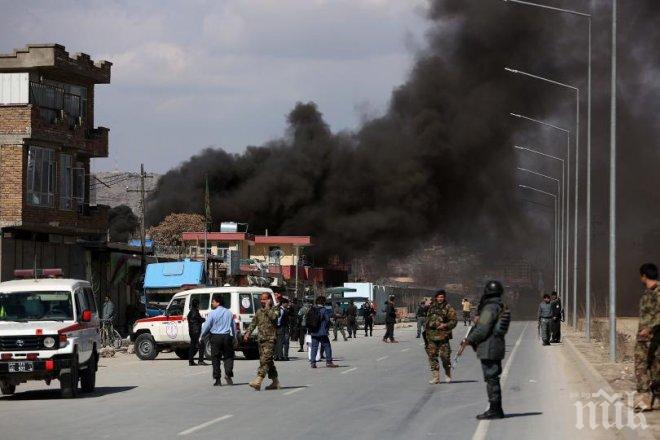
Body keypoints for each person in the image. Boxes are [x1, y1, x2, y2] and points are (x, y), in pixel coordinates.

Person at [460, 280, 508, 420]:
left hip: (489, 346)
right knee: (493, 378)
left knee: (491, 378)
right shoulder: (500, 306)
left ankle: (495, 410)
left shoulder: (490, 308)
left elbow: (483, 328)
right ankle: (496, 408)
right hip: (496, 345)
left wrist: (469, 340)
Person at [633, 263, 660, 412]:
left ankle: (646, 401)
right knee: (643, 368)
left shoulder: (658, 292)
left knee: (652, 369)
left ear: (643, 276)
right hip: (644, 340)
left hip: (654, 338)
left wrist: (649, 328)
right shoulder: (647, 293)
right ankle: (644, 401)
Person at [243, 293, 281, 391]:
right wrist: (248, 333)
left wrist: (268, 307)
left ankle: (258, 381)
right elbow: (253, 323)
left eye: (264, 299)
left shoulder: (275, 309)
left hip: (270, 340)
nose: (262, 301)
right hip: (261, 340)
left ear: (269, 300)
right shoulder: (259, 311)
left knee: (265, 360)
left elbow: (274, 317)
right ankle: (275, 382)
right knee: (268, 362)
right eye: (261, 299)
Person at [199, 294, 235, 386]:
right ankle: (228, 373)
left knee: (215, 358)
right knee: (228, 356)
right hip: (227, 337)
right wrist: (234, 337)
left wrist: (201, 336)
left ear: (217, 302)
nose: (212, 303)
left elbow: (207, 325)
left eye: (213, 301)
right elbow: (233, 326)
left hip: (215, 337)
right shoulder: (229, 313)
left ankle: (217, 380)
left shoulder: (212, 313)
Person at [425, 290, 457, 384]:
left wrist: (445, 325)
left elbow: (454, 321)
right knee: (432, 356)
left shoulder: (448, 307)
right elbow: (428, 319)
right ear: (436, 297)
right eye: (439, 297)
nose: (440, 298)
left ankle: (447, 374)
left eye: (442, 297)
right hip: (431, 336)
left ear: (444, 298)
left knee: (445, 356)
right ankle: (436, 377)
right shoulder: (431, 306)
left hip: (443, 336)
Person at [308, 296, 339, 368]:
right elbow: (327, 320)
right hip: (322, 332)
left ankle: (313, 363)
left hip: (313, 331)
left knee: (314, 347)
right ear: (323, 302)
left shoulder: (312, 309)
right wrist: (327, 328)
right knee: (327, 346)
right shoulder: (323, 310)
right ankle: (329, 362)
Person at [187, 298, 207, 366]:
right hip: (196, 331)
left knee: (192, 346)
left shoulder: (190, 312)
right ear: (197, 304)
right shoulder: (195, 312)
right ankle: (200, 360)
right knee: (202, 344)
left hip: (191, 331)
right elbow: (200, 320)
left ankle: (191, 361)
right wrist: (204, 319)